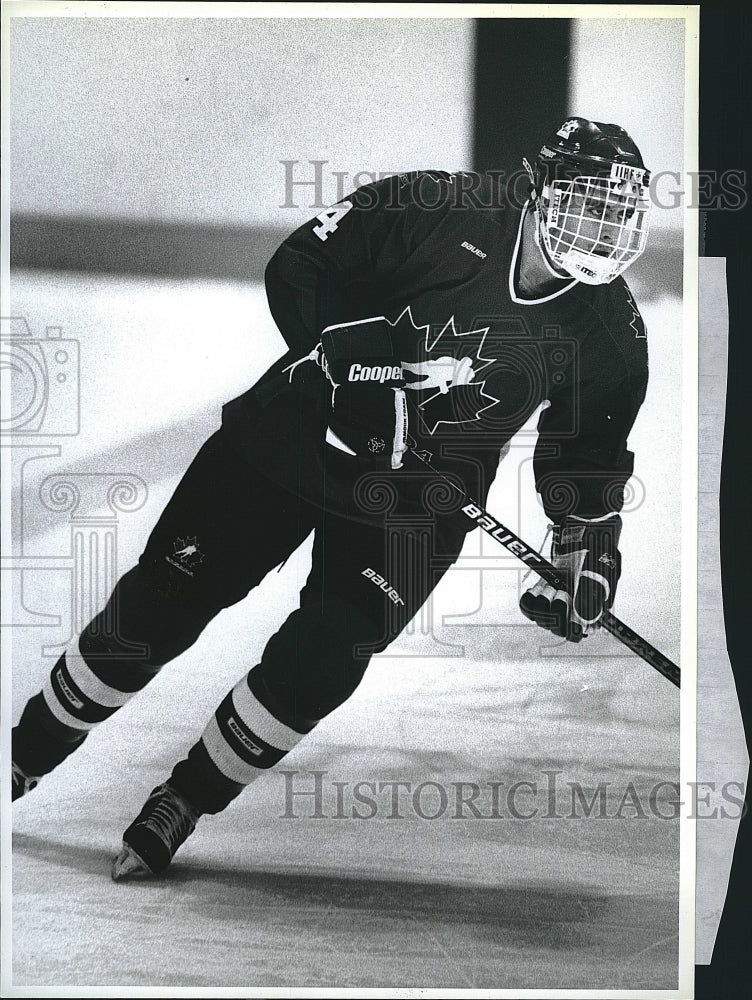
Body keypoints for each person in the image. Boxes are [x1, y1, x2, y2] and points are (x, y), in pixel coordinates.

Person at [11, 117, 653, 879]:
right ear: (537, 190)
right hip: (287, 442)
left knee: (324, 658)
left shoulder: (611, 337)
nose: (599, 230)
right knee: (155, 611)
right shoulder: (436, 207)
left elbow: (588, 463)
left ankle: (182, 800)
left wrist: (587, 556)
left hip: (415, 503)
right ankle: (21, 761)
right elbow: (300, 263)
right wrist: (346, 357)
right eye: (584, 206)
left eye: (615, 215)